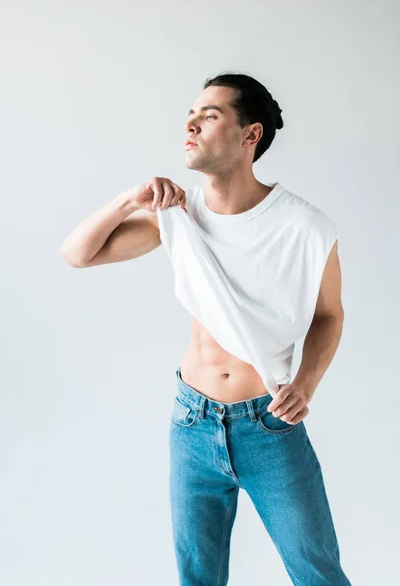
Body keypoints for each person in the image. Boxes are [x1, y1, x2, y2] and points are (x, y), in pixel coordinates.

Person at [60, 72, 352, 585]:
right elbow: (77, 254)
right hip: (191, 421)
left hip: (269, 426)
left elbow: (330, 314)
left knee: (317, 572)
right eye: (190, 115)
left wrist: (306, 384)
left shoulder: (306, 227)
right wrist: (131, 200)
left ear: (250, 134)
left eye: (210, 115)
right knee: (198, 578)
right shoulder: (177, 215)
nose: (191, 123)